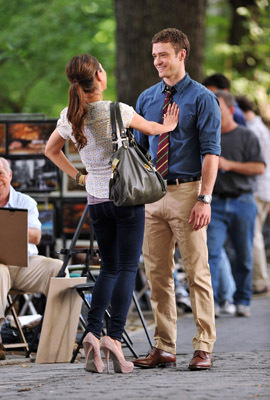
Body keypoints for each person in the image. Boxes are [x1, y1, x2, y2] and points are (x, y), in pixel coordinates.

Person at [45, 53, 179, 374]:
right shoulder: (117, 110)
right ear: (99, 78)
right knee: (128, 268)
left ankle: (92, 333)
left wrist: (80, 178)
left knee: (108, 267)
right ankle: (114, 339)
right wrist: (170, 124)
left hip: (96, 200)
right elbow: (154, 129)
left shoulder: (70, 116)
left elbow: (50, 150)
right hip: (127, 198)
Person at [132, 28, 221, 371]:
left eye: (163, 55)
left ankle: (203, 346)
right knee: (157, 275)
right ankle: (164, 347)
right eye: (154, 55)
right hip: (152, 195)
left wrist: (205, 198)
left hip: (188, 193)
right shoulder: (147, 99)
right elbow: (139, 150)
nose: (157, 61)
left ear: (182, 54)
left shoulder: (202, 98)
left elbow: (211, 153)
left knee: (197, 273)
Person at [207, 91, 266, 318]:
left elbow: (259, 167)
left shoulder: (246, 135)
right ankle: (210, 303)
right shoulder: (207, 135)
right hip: (215, 202)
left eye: (217, 108)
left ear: (231, 110)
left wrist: (229, 165)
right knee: (211, 253)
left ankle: (242, 300)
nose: (212, 113)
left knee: (243, 254)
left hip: (243, 201)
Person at [0, 157, 63, 361]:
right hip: (1, 269)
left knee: (59, 269)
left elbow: (36, 236)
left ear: (9, 176)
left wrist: (7, 229)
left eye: (0, 174)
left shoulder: (25, 201)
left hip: (25, 263)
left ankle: (58, 338)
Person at [236, 95, 270, 294]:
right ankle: (259, 279)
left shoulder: (253, 130)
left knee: (253, 236)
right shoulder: (262, 128)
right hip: (264, 188)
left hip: (257, 188)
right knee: (254, 235)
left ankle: (259, 281)